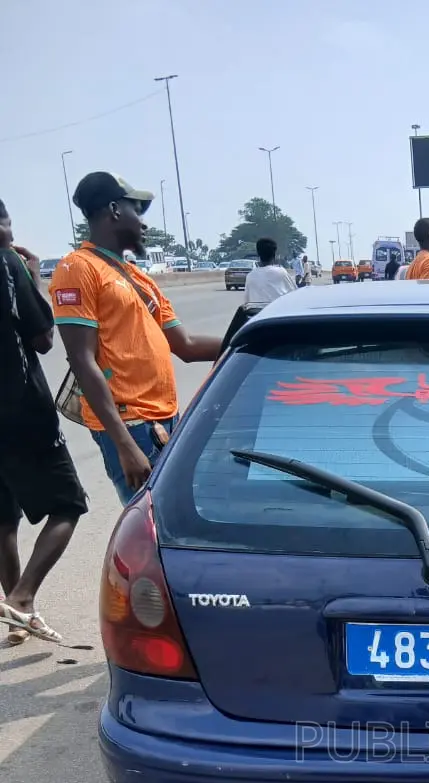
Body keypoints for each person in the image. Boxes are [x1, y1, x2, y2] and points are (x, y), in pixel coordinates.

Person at [50, 172, 221, 504]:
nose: (143, 223)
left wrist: (243, 339)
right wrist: (124, 445)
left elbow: (184, 345)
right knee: (153, 526)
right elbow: (82, 361)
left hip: (164, 418)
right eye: (137, 211)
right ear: (114, 210)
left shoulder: (139, 279)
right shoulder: (77, 268)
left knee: (176, 516)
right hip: (131, 426)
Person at [0, 199, 87, 645]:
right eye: (8, 229)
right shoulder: (7, 264)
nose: (12, 238)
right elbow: (43, 338)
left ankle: (17, 616)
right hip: (21, 410)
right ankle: (23, 598)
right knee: (69, 503)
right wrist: (32, 275)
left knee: (3, 519)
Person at [244, 238, 296, 306]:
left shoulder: (251, 276)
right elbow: (294, 294)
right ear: (274, 255)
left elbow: (247, 302)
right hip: (277, 313)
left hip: (258, 315)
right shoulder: (281, 272)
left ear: (258, 255)